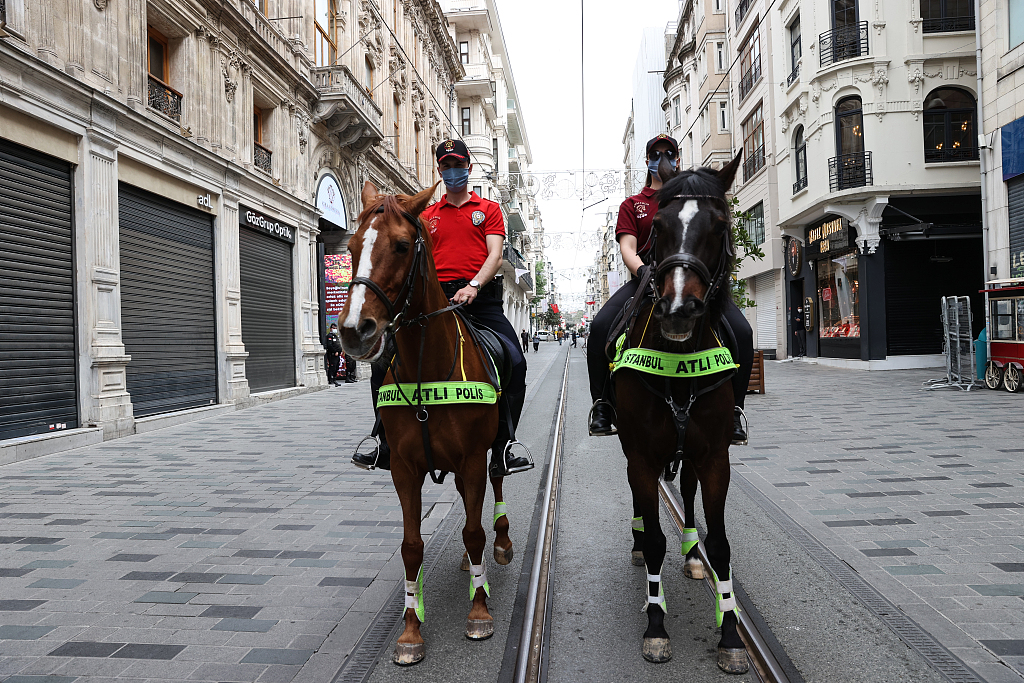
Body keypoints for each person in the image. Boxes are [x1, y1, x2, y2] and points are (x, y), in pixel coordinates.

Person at [353, 139, 531, 478]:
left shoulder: (489, 210)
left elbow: (494, 255)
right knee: (382, 364)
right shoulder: (427, 215)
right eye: (446, 167)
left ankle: (505, 445)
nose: (453, 172)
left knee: (516, 360)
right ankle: (384, 441)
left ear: (469, 167)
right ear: (439, 171)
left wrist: (474, 285)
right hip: (433, 302)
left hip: (480, 300)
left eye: (458, 165)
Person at [585, 134, 753, 444]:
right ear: (648, 160)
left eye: (668, 152)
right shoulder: (633, 204)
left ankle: (734, 411)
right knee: (599, 328)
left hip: (691, 282)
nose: (661, 157)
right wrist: (643, 270)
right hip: (645, 281)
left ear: (676, 159)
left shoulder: (690, 198)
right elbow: (628, 247)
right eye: (655, 153)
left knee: (742, 333)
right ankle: (603, 406)